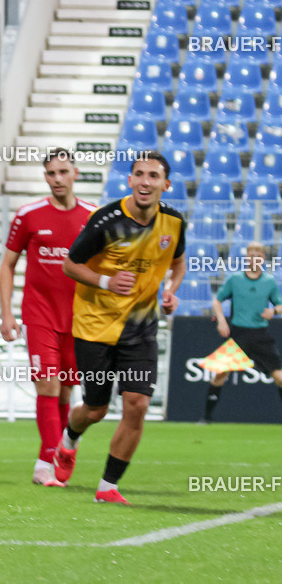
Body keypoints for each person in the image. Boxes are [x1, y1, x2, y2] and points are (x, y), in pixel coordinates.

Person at [55, 152, 186, 504]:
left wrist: (171, 290)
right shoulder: (105, 220)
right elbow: (70, 265)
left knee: (138, 404)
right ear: (129, 181)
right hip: (95, 328)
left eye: (153, 176)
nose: (145, 181)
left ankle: (108, 486)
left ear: (165, 184)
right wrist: (106, 281)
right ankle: (68, 440)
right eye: (139, 174)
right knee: (95, 410)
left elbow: (178, 263)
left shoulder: (174, 222)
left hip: (140, 329)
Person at [0, 148, 95, 487]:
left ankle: (46, 459)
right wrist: (7, 313)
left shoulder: (92, 217)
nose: (57, 179)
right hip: (39, 316)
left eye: (63, 172)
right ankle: (53, 462)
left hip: (78, 320)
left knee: (66, 392)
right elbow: (8, 265)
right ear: (45, 177)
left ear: (75, 174)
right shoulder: (28, 215)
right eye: (51, 173)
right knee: (48, 384)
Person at [202, 242, 282, 422]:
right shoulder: (235, 279)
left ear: (263, 258)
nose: (254, 259)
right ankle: (206, 418)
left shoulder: (269, 282)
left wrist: (274, 311)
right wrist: (221, 321)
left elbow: (280, 304)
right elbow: (217, 301)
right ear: (246, 258)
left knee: (279, 377)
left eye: (258, 256)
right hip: (239, 335)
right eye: (251, 255)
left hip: (260, 335)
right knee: (220, 374)